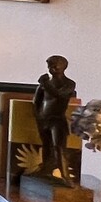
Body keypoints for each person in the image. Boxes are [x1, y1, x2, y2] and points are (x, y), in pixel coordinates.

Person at [33, 55, 77, 185]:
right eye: (49, 66)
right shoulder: (45, 84)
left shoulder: (69, 84)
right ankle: (46, 170)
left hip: (57, 119)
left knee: (59, 147)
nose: (51, 69)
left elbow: (59, 95)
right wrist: (38, 116)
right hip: (44, 119)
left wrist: (45, 83)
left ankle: (66, 176)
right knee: (46, 146)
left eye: (54, 66)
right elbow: (36, 101)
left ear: (63, 67)